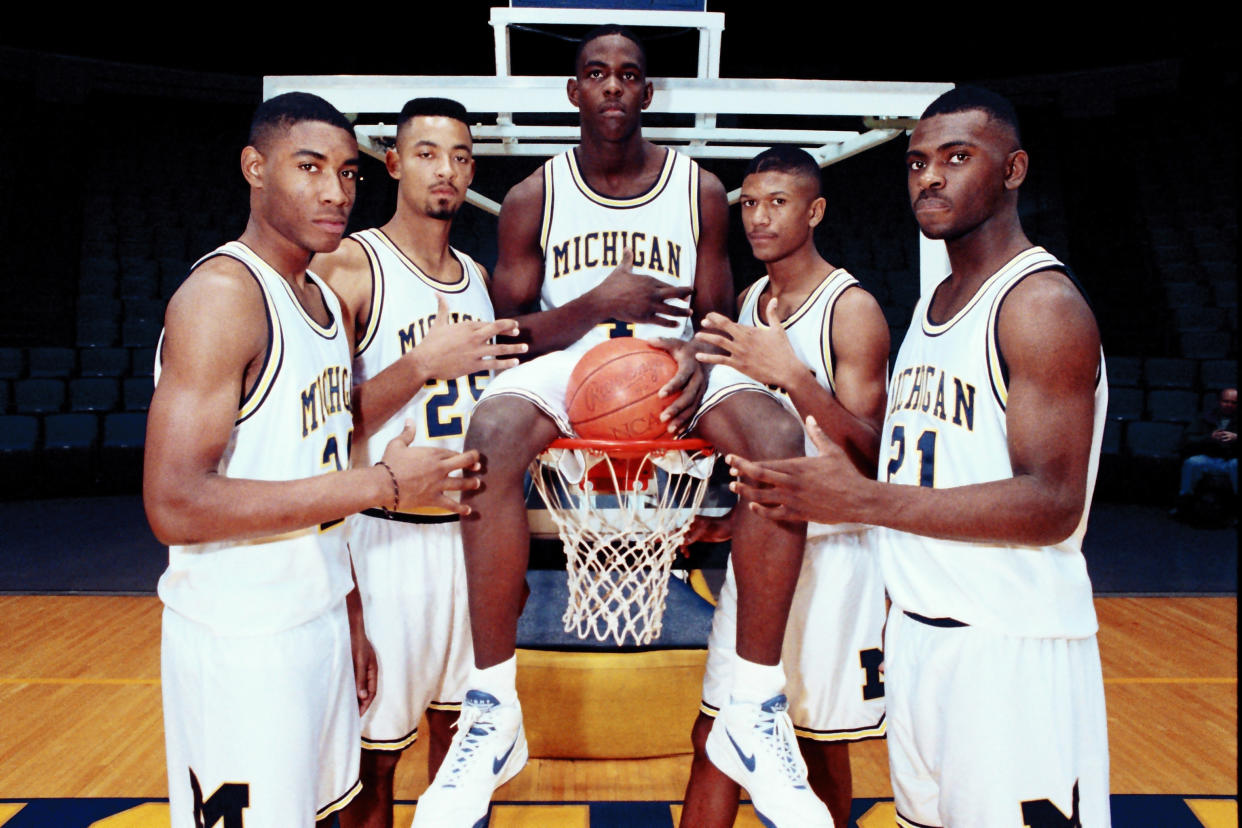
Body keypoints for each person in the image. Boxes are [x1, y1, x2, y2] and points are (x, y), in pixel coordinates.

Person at [412, 26, 831, 828]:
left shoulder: (700, 189)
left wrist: (696, 358)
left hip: (675, 367)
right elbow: (508, 336)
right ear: (575, 92)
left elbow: (714, 316)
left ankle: (755, 705)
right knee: (491, 431)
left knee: (778, 437)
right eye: (596, 74)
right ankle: (493, 709)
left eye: (628, 76)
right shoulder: (536, 196)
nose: (612, 87)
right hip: (573, 368)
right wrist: (598, 305)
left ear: (646, 93)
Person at [726, 86, 1112, 827]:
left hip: (1010, 650)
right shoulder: (935, 307)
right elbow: (910, 468)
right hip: (920, 640)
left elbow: (1054, 503)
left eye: (957, 158)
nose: (929, 177)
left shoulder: (1039, 306)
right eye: (916, 162)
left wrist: (864, 502)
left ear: (1014, 169)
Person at [143, 91, 482, 828]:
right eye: (310, 168)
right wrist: (387, 482)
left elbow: (312, 453)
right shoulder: (223, 297)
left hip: (319, 618)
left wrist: (350, 612)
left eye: (348, 172)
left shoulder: (317, 302)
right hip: (241, 639)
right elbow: (175, 505)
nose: (336, 191)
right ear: (255, 168)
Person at [310, 97, 525, 828]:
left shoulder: (475, 275)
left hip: (470, 542)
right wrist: (418, 365)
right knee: (373, 761)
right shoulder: (351, 265)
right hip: (385, 538)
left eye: (462, 156)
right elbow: (315, 427)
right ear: (395, 164)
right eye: (429, 153)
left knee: (467, 747)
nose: (448, 169)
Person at [680, 145, 890, 828]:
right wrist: (725, 517)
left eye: (778, 202)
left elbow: (872, 454)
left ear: (815, 210)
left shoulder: (849, 308)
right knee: (716, 739)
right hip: (764, 552)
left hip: (834, 558)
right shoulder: (751, 300)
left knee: (815, 751)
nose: (759, 218)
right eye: (749, 204)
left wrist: (796, 375)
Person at [1173, 387, 1237, 521]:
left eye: (1233, 402)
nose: (1229, 405)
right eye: (1226, 401)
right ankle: (1184, 503)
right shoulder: (1205, 417)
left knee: (1236, 465)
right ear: (1219, 402)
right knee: (1192, 463)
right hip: (1209, 457)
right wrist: (1209, 437)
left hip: (1233, 458)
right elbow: (1188, 439)